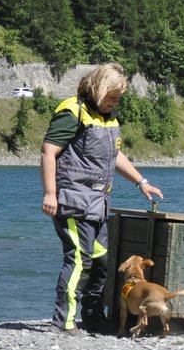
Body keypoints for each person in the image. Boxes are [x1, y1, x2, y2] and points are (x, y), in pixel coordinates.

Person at [40, 63, 164, 334]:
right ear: (99, 90)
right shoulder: (72, 112)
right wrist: (50, 194)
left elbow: (114, 156)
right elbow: (49, 152)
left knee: (101, 263)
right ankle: (64, 321)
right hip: (72, 201)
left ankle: (94, 317)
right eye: (113, 97)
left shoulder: (109, 118)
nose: (116, 102)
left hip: (97, 204)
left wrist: (141, 182)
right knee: (78, 261)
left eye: (119, 98)